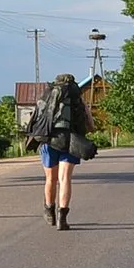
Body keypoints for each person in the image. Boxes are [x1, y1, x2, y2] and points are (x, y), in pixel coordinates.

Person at [31, 72, 93, 231]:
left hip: (49, 140)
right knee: (65, 178)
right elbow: (89, 122)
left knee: (50, 179)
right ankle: (62, 219)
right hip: (70, 140)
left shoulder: (47, 95)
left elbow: (36, 118)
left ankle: (49, 210)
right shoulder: (76, 98)